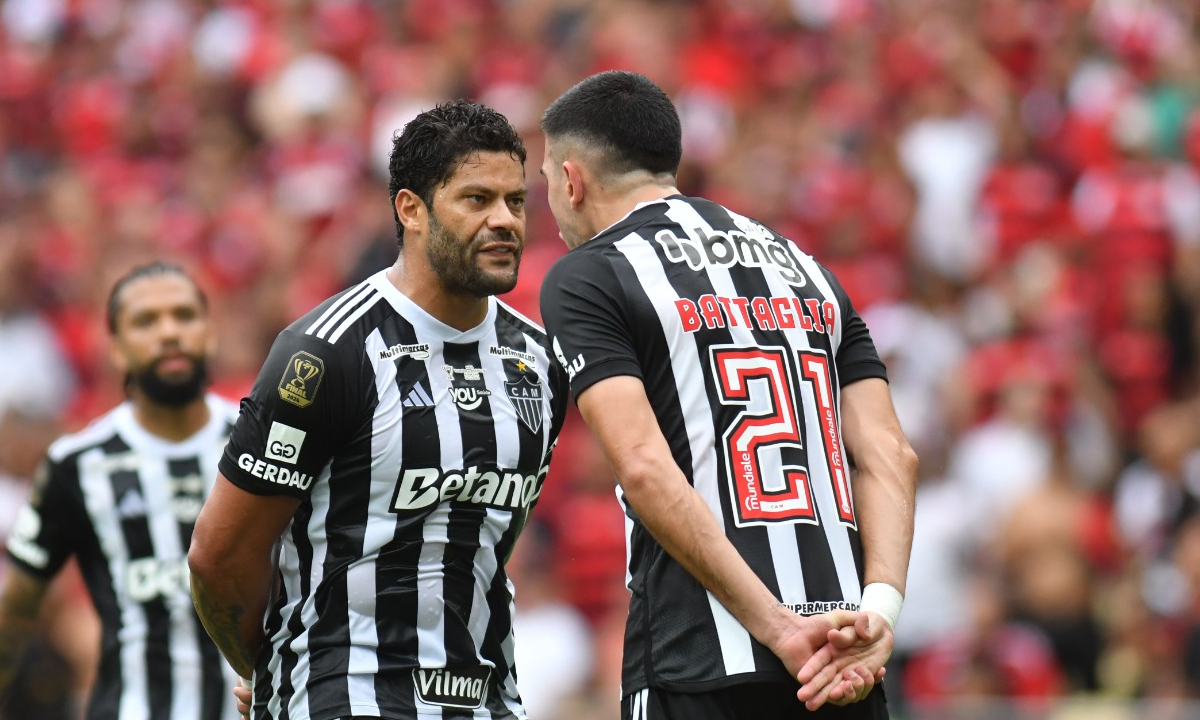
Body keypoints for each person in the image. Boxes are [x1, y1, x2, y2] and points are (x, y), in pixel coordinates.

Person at [537, 71, 919, 719]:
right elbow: (890, 454)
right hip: (844, 662)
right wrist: (879, 610)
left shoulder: (592, 274)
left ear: (572, 180)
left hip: (699, 664)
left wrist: (776, 627)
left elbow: (644, 466)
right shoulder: (810, 272)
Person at [188, 100, 569, 720]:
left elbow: (485, 542)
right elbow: (218, 555)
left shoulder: (540, 362)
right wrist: (274, 665)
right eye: (477, 199)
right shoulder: (325, 353)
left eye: (516, 201)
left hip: (488, 702)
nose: (505, 220)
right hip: (346, 698)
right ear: (411, 210)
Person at [0, 261, 242, 720]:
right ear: (115, 348)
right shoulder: (75, 464)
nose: (169, 332)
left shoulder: (262, 444)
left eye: (184, 316)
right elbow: (17, 609)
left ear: (210, 333)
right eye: (145, 321)